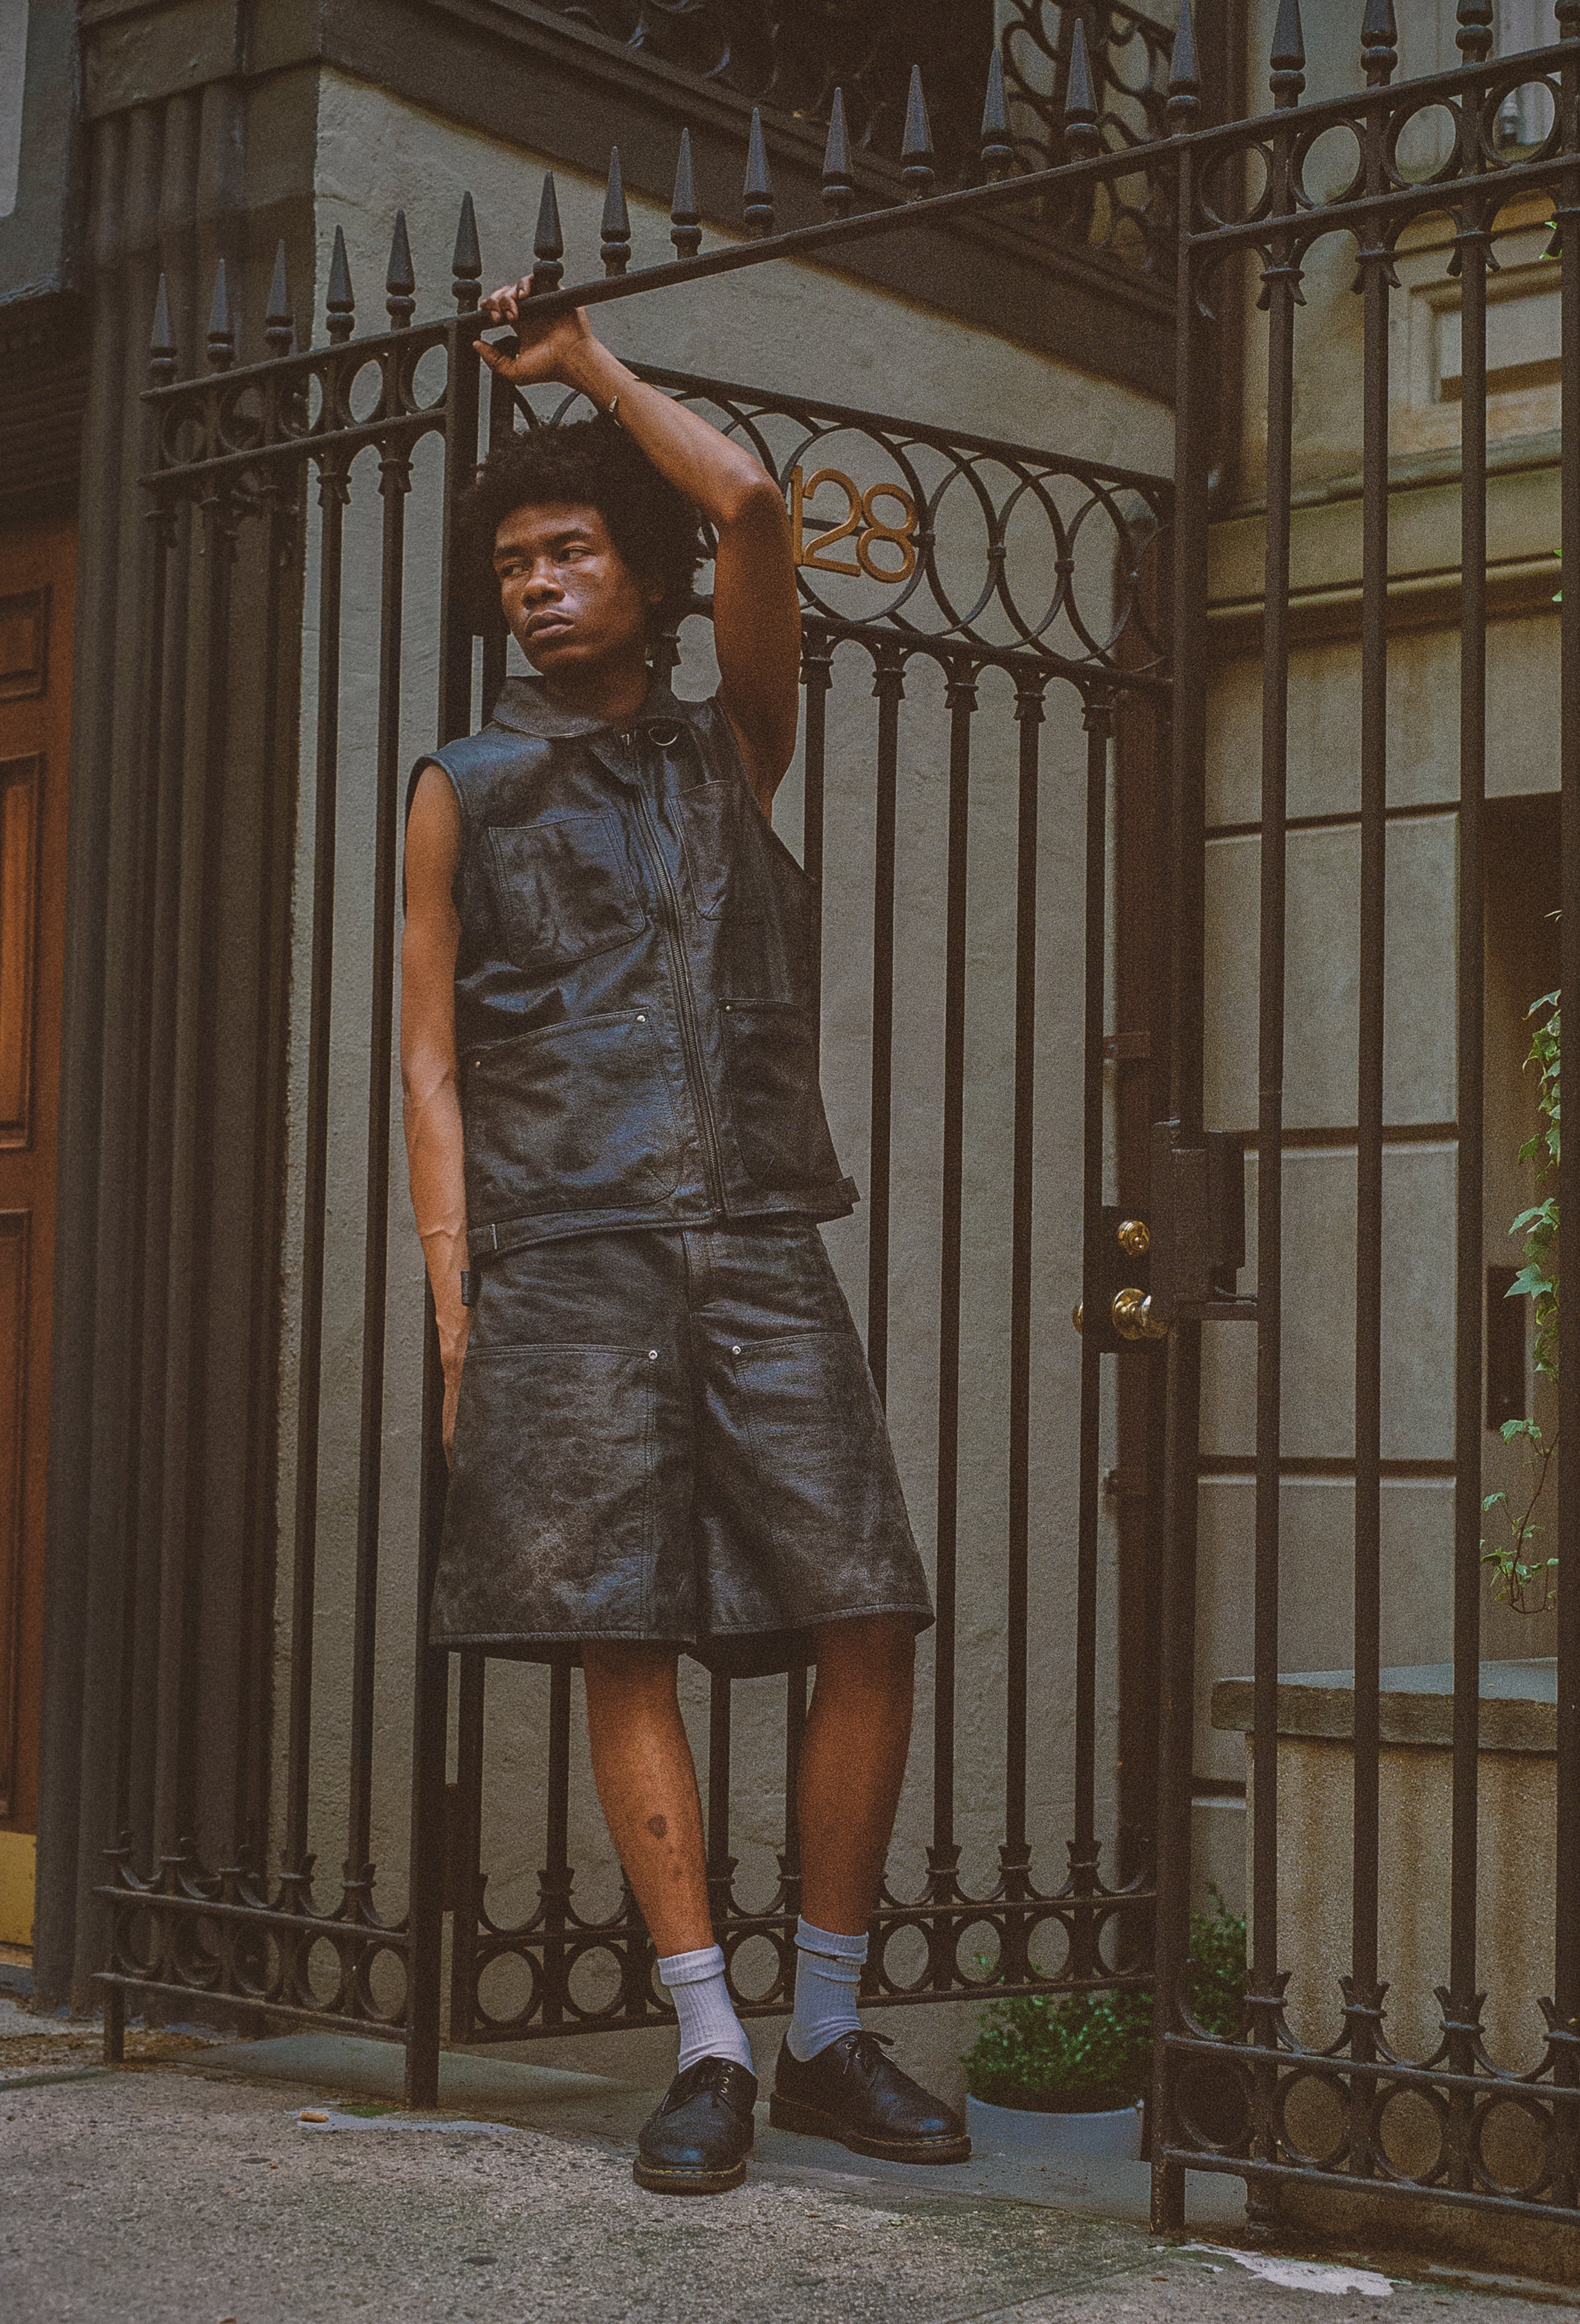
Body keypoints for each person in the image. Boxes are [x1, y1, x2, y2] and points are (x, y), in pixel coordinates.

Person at [398, 278, 969, 2196]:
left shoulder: (735, 743)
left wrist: (579, 371)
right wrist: (455, 1293)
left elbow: (749, 507)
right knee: (616, 1638)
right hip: (560, 1258)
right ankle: (707, 2040)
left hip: (752, 1234)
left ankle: (823, 2027)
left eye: (567, 554)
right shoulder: (457, 789)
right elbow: (426, 1063)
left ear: (637, 579)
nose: (537, 588)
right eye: (512, 567)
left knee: (866, 1608)